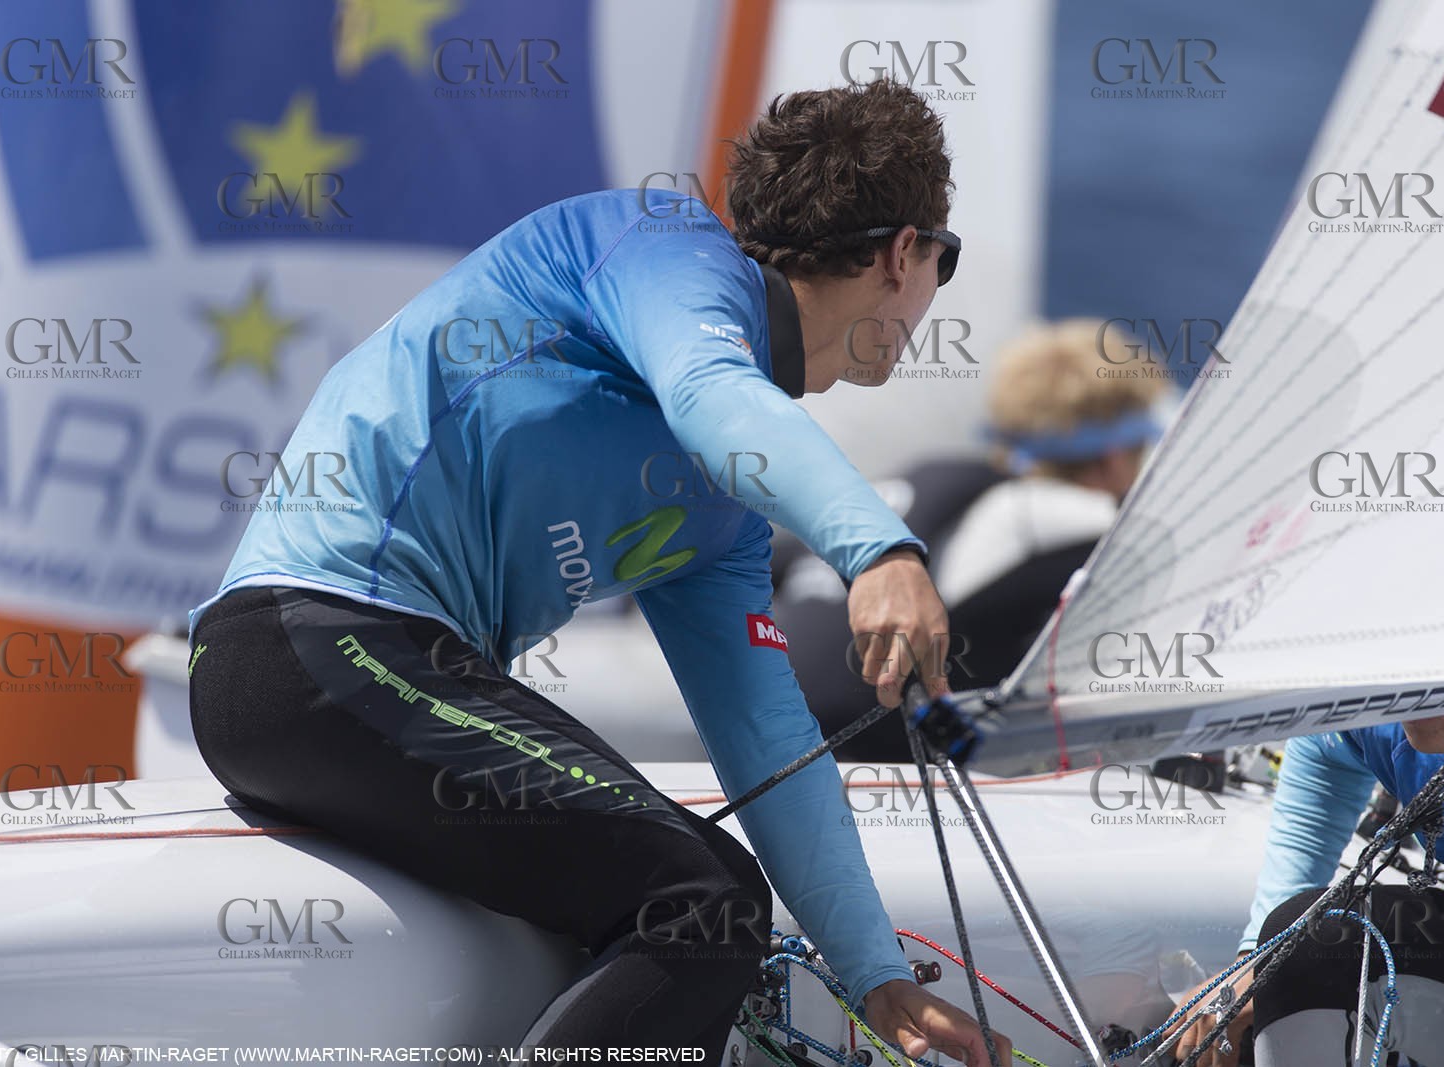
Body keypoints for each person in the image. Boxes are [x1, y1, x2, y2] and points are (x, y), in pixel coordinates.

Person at [185, 79, 1012, 1065]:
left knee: (709, 901)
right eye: (943, 261)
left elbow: (765, 736)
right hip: (315, 647)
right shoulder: (658, 247)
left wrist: (875, 973)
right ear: (901, 253)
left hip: (341, 679)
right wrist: (877, 548)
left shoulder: (722, 505)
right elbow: (711, 391)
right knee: (703, 906)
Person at [774, 318, 1167, 760]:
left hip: (755, 715)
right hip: (856, 747)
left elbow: (782, 562)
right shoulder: (1069, 520)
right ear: (1116, 456)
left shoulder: (928, 475)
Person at [1172, 709, 1444, 1066]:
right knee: (1303, 953)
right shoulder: (1403, 711)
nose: (1413, 682)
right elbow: (1325, 749)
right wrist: (1256, 965)